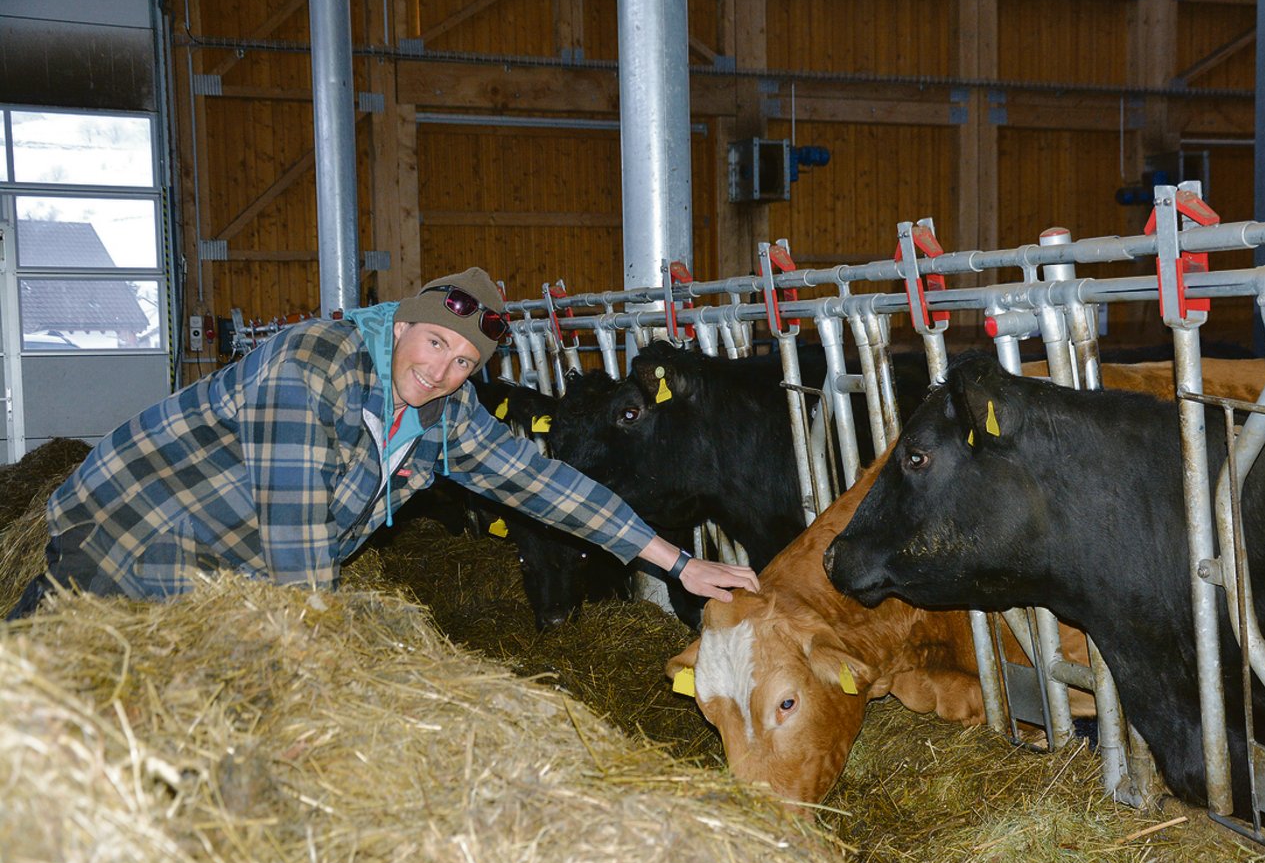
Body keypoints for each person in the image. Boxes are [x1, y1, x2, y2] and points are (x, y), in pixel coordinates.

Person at [7, 267, 758, 620]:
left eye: (464, 362)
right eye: (434, 343)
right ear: (400, 323)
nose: (441, 371)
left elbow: (545, 483)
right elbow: (296, 554)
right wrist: (315, 674)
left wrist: (678, 563)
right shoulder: (312, 369)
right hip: (133, 541)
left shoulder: (443, 408)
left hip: (217, 563)